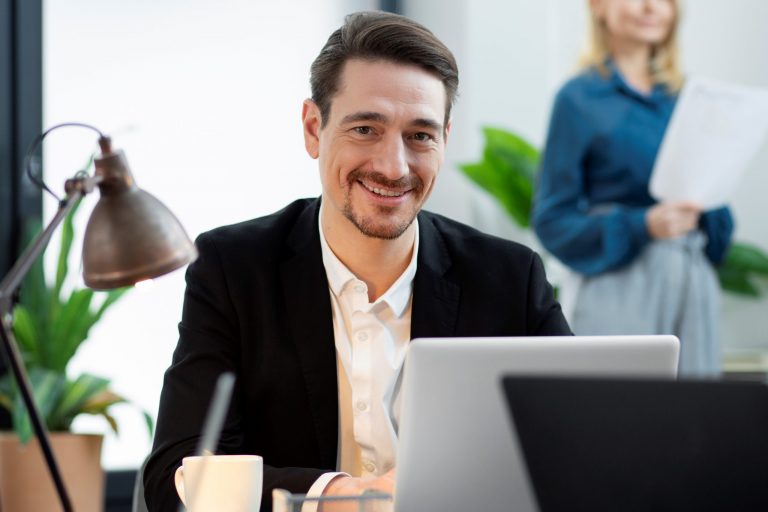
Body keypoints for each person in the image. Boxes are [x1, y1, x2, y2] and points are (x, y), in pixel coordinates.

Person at [144, 11, 570, 512]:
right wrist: (337, 496)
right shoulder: (234, 268)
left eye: (420, 135)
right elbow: (176, 471)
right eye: (366, 129)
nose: (394, 166)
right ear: (312, 128)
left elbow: (577, 450)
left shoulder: (509, 277)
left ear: (445, 140)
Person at [532, 0, 733, 376]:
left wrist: (707, 198)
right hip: (619, 288)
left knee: (695, 423)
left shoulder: (690, 99)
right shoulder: (577, 99)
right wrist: (643, 226)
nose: (650, 7)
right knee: (617, 420)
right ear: (598, 7)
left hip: (692, 287)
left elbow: (720, 229)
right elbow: (552, 222)